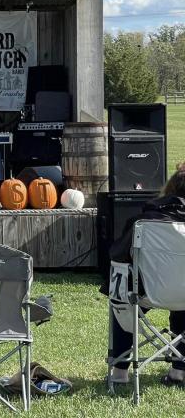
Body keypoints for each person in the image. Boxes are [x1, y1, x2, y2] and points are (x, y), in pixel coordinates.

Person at [105, 164, 185, 387]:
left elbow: (119, 255)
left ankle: (120, 372)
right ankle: (179, 371)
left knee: (121, 301)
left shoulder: (144, 222)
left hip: (150, 292)